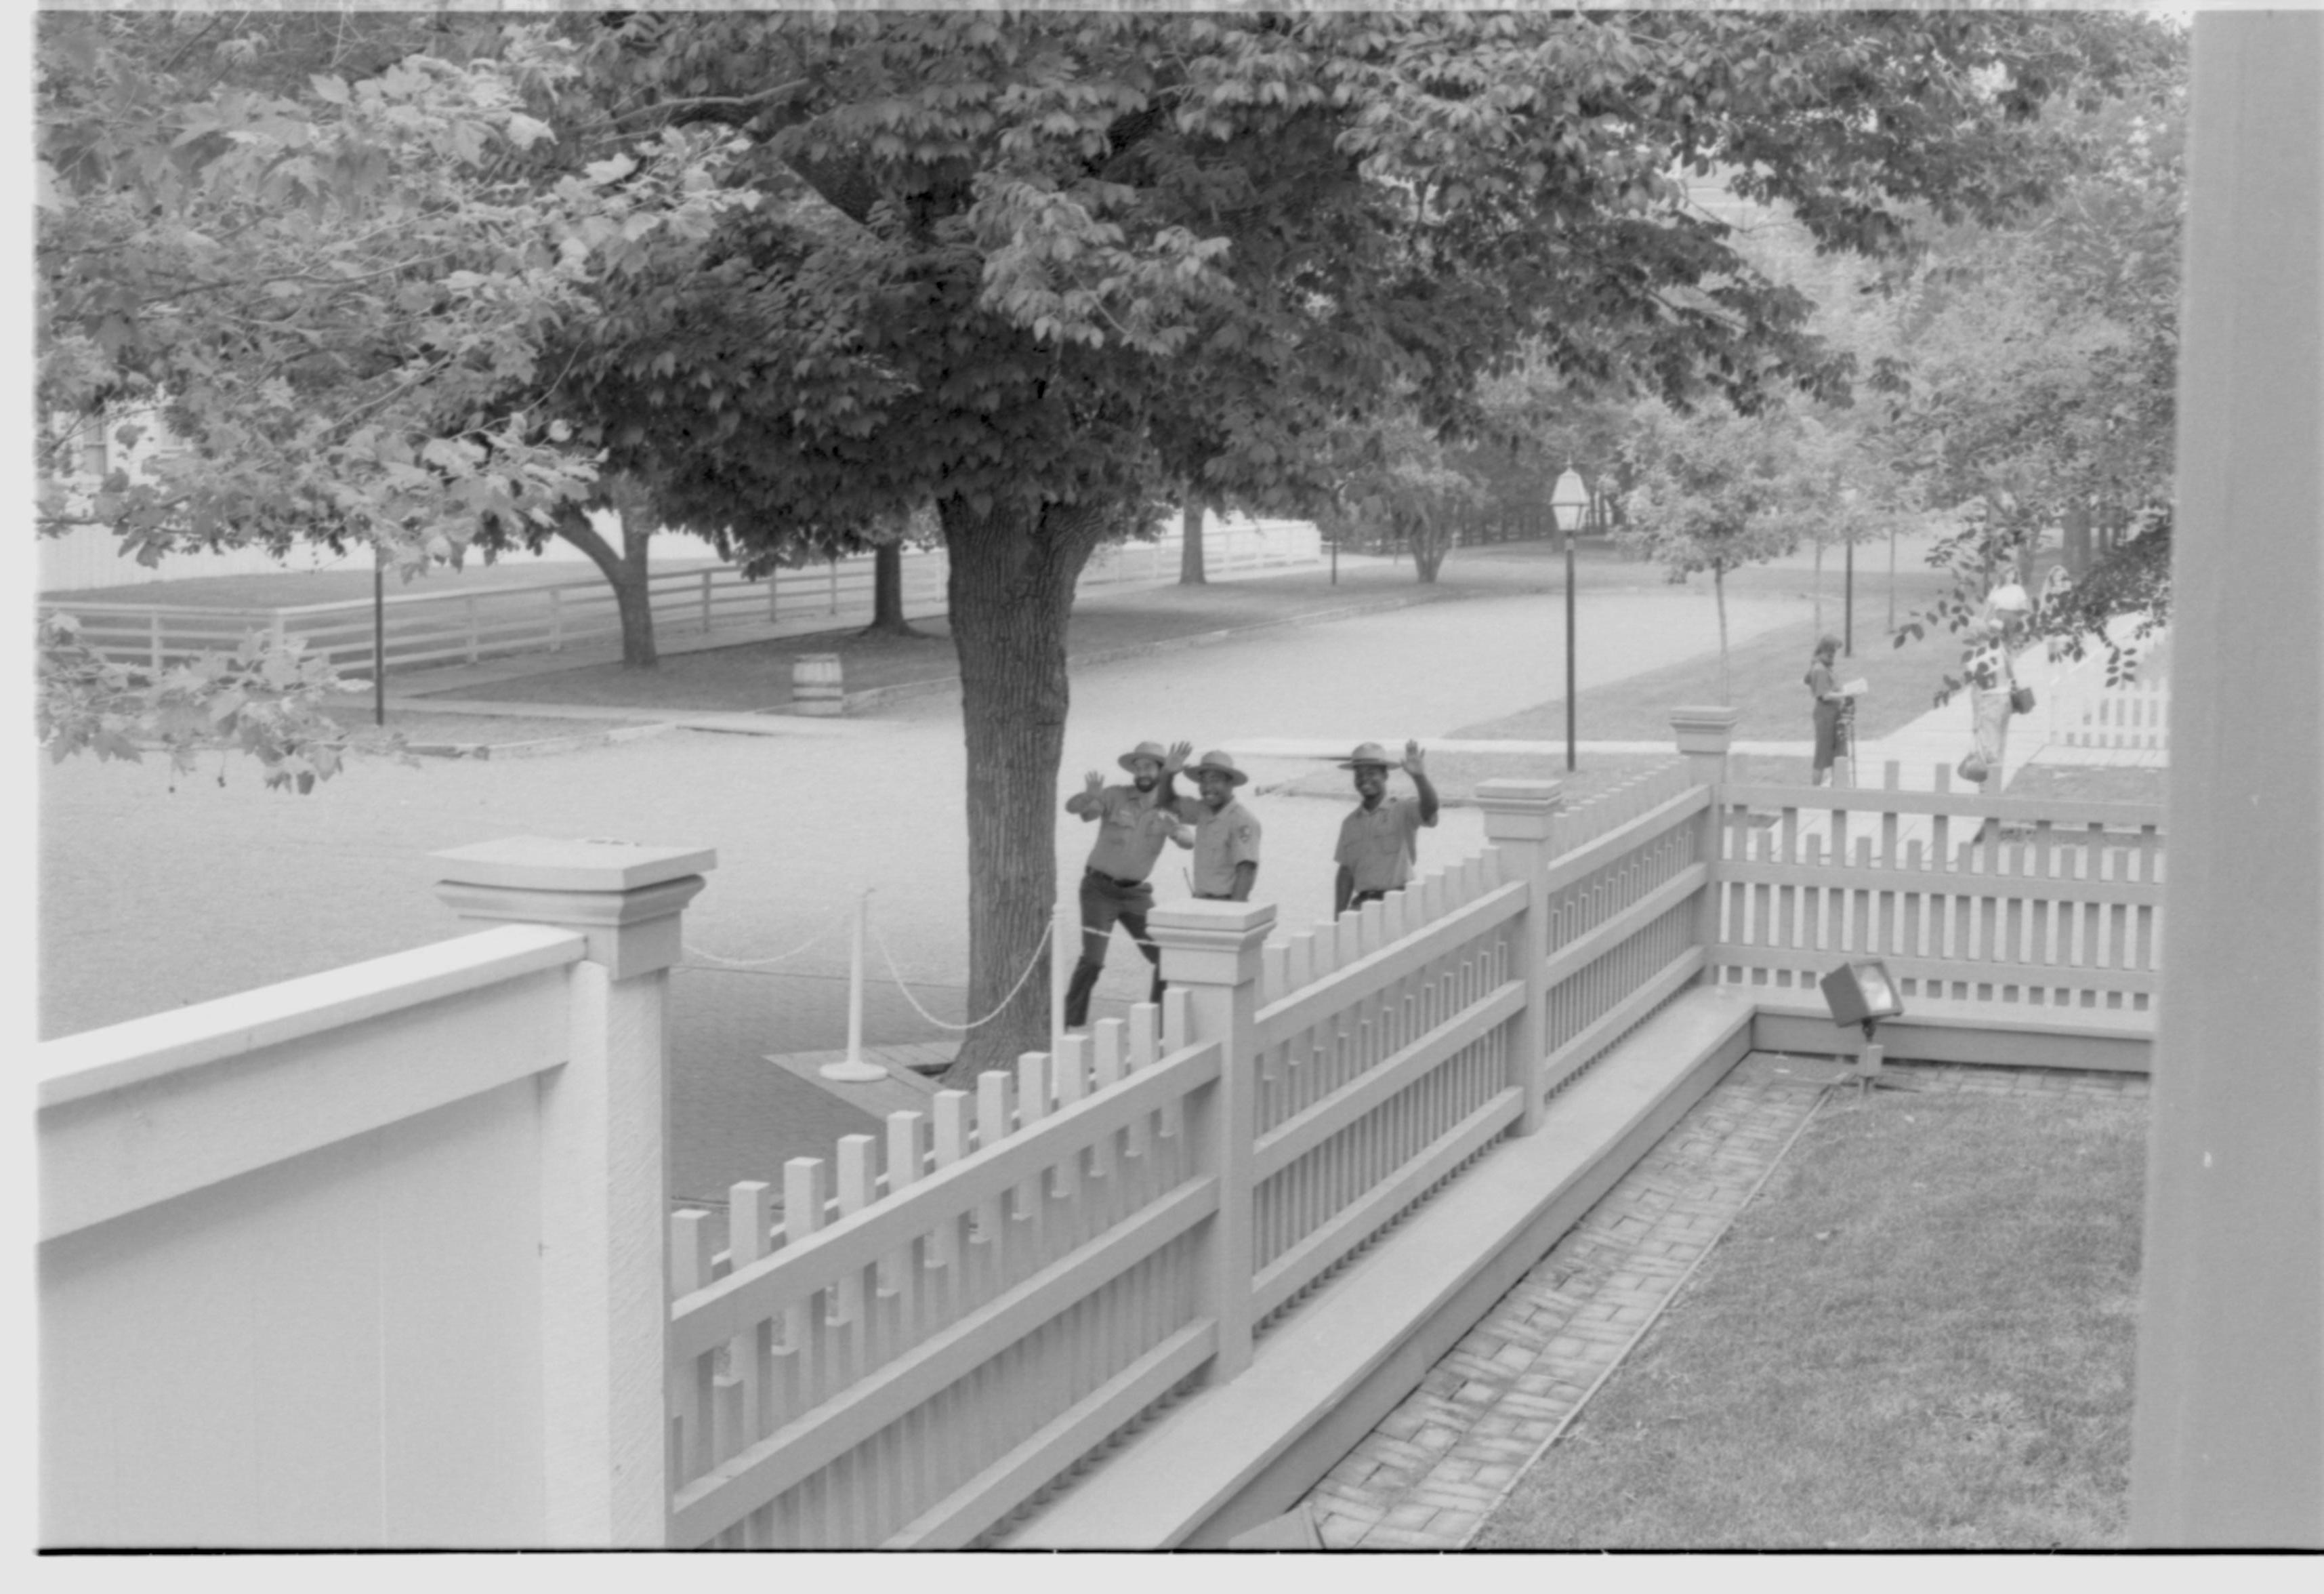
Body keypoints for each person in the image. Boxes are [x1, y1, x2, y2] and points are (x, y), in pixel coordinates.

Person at [1061, 738, 1192, 1029]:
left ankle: (1157, 1026)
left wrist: (1175, 831)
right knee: (1093, 961)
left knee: (1166, 958)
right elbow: (1082, 813)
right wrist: (1087, 796)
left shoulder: (1170, 805)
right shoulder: (1116, 795)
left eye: (1149, 767)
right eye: (1139, 766)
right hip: (1099, 890)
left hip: (1136, 895)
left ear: (1162, 770)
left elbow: (1187, 841)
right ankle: (1066, 1022)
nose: (1143, 772)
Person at [1332, 740, 1439, 915]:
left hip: (1399, 905)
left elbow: (1430, 808)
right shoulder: (1350, 823)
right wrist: (1338, 918)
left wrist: (1419, 777)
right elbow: (1346, 872)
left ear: (1385, 776)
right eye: (1359, 774)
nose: (1364, 779)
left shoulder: (1402, 810)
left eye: (1371, 773)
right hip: (1362, 909)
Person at [1179, 750, 1262, 902]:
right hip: (1201, 901)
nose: (1207, 787)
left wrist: (1232, 914)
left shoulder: (1242, 820)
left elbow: (1246, 871)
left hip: (1226, 903)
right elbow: (1165, 804)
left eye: (1215, 780)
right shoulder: (1203, 812)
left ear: (1230, 783)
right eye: (1203, 781)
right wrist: (1167, 774)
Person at [1806, 634, 1848, 787]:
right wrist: (1846, 694)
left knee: (1838, 752)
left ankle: (1836, 786)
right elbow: (1825, 695)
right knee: (1822, 754)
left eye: (1835, 652)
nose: (1833, 656)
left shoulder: (1826, 667)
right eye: (1831, 652)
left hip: (1835, 713)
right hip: (1825, 714)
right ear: (1824, 650)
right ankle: (1815, 792)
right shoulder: (1820, 669)